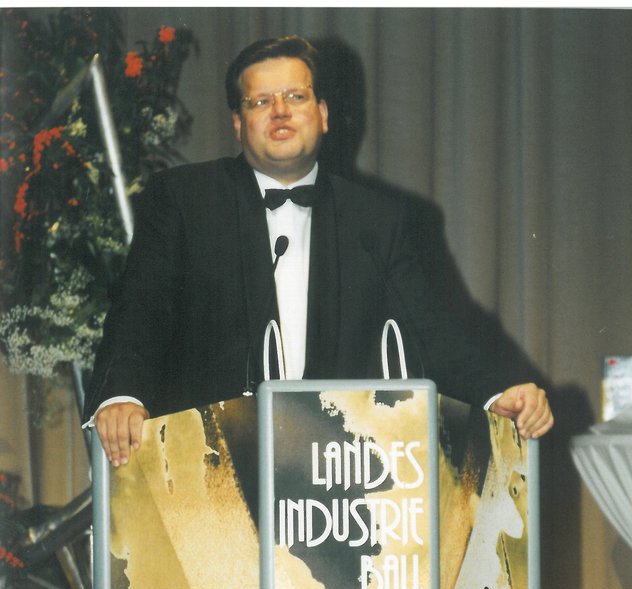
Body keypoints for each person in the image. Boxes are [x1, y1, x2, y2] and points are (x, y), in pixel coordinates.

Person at [85, 35, 553, 467]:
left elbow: (433, 329)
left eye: (295, 96)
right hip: (210, 472)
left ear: (324, 114)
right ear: (238, 124)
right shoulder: (183, 199)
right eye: (260, 101)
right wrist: (121, 395)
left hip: (335, 477)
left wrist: (497, 393)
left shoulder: (376, 219)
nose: (280, 111)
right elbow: (140, 310)